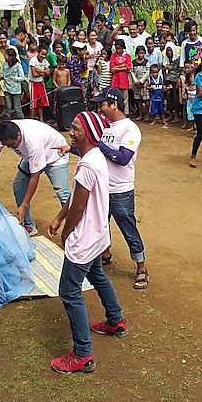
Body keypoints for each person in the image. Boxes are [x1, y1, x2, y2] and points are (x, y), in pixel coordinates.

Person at [46, 111, 125, 373]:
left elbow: (78, 206)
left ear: (89, 134)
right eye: (72, 127)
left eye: (77, 129)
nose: (72, 132)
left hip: (85, 237)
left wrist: (67, 232)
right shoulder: (95, 158)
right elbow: (76, 196)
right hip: (98, 233)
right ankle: (116, 320)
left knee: (69, 292)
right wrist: (59, 216)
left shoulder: (88, 165)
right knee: (98, 275)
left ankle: (82, 354)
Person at [0, 120, 70, 236]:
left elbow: (35, 177)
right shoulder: (2, 134)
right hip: (30, 157)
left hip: (55, 155)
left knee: (62, 193)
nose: (9, 148)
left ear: (19, 135)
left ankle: (74, 228)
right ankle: (28, 225)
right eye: (6, 145)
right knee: (19, 185)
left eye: (12, 145)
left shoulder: (33, 141)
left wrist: (24, 205)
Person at [90, 88, 150, 289]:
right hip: (101, 188)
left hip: (120, 191)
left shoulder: (130, 129)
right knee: (100, 225)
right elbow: (94, 150)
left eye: (103, 104)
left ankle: (141, 267)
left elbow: (123, 158)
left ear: (114, 104)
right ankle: (105, 254)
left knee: (128, 229)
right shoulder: (106, 127)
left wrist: (99, 144)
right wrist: (70, 148)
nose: (100, 109)